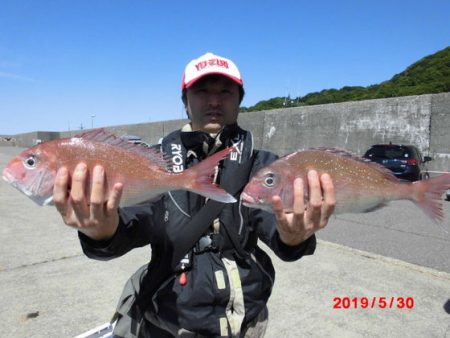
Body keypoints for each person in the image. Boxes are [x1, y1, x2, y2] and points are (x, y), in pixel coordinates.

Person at [53, 52, 336, 337]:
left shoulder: (264, 166)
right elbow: (133, 221)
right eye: (202, 91)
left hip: (247, 323)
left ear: (239, 99)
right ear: (185, 101)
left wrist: (293, 236)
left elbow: (275, 226)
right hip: (169, 325)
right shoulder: (155, 163)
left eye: (226, 91)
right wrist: (102, 232)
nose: (214, 101)